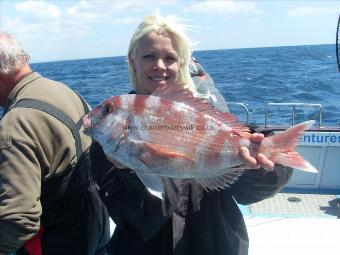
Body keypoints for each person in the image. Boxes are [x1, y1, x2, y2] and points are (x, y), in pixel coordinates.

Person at [96, 14, 292, 255]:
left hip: (217, 245)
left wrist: (251, 167)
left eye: (170, 58)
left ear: (182, 63)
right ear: (132, 60)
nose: (159, 65)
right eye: (149, 56)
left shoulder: (207, 116)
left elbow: (249, 193)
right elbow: (139, 222)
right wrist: (127, 170)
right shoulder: (109, 136)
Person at [0, 32, 110, 255]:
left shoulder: (16, 124)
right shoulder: (64, 91)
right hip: (96, 227)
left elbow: (19, 221)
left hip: (57, 240)